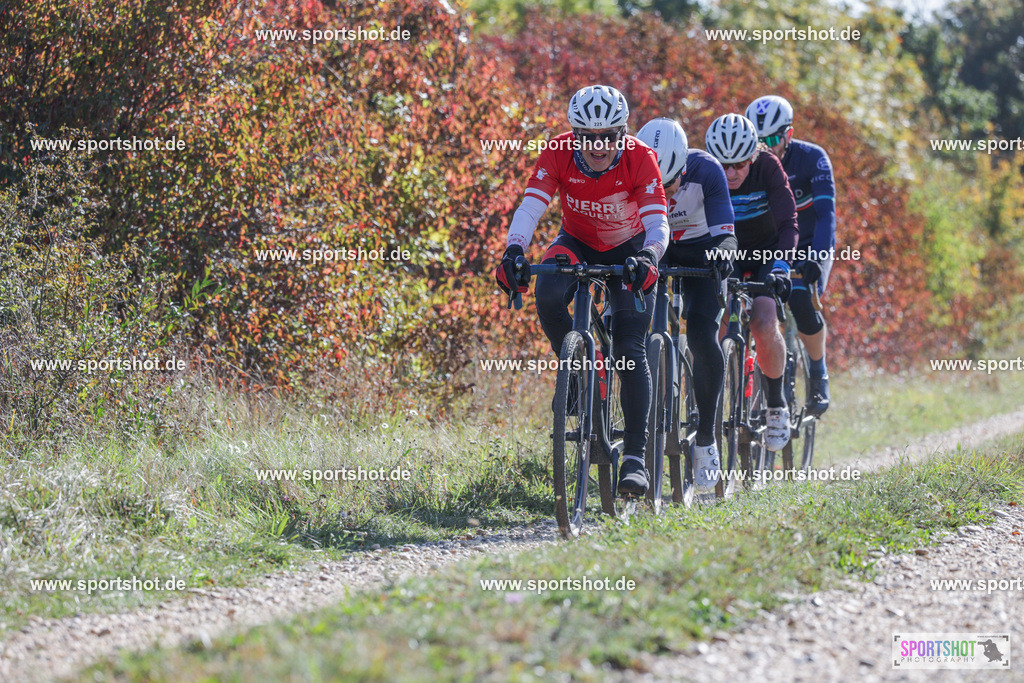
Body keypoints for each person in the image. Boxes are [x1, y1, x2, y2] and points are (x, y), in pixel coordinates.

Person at [494, 85, 669, 496]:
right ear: (575, 134)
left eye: (608, 136)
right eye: (588, 136)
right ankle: (579, 377)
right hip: (575, 241)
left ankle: (636, 458)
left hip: (630, 249)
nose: (598, 145)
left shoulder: (640, 157)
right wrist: (514, 250)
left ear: (622, 133)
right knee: (548, 294)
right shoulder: (557, 151)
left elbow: (660, 224)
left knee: (630, 348)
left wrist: (649, 257)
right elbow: (531, 206)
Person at [635, 117, 736, 493]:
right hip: (654, 247)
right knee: (626, 315)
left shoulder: (706, 169)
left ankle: (707, 437)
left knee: (700, 331)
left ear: (684, 168)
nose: (668, 195)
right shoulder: (631, 167)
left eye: (672, 184)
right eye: (657, 188)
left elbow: (726, 229)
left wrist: (724, 253)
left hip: (701, 249)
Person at [704, 113, 798, 451]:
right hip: (724, 253)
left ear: (753, 156)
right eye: (723, 165)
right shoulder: (703, 170)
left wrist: (782, 267)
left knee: (763, 320)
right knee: (711, 327)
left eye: (739, 165)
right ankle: (708, 411)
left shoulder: (769, 167)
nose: (730, 173)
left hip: (765, 255)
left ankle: (775, 405)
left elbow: (789, 222)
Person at [746, 95, 834, 415]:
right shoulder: (746, 163)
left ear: (789, 134)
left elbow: (826, 216)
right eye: (758, 140)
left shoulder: (813, 159)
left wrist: (817, 257)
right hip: (771, 244)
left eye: (772, 139)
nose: (765, 147)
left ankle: (818, 370)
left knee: (799, 298)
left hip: (810, 243)